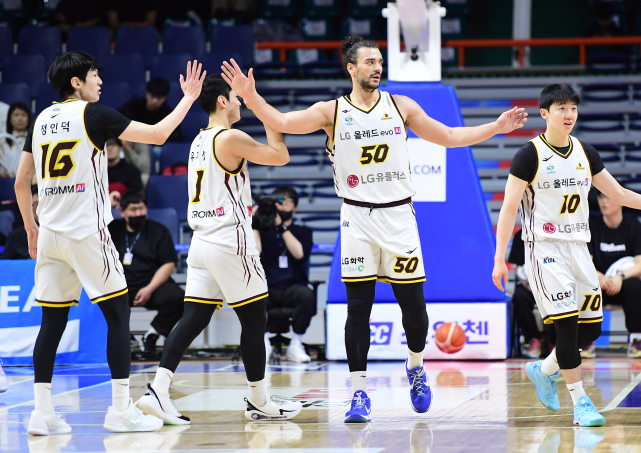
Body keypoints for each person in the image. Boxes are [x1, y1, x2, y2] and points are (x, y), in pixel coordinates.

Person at [221, 33, 528, 423]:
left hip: (399, 218)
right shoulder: (331, 111)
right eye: (369, 62)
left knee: (414, 309)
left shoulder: (401, 106)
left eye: (380, 61)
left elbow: (450, 137)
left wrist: (495, 127)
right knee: (358, 310)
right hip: (357, 219)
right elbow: (281, 122)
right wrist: (250, 96)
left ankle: (415, 366)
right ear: (351, 68)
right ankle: (359, 392)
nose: (377, 67)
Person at [14, 51, 205, 435]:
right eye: (94, 75)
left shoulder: (41, 119)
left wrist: (31, 229)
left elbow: (21, 183)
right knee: (118, 313)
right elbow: (158, 135)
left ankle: (42, 413)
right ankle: (120, 410)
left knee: (51, 323)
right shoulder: (93, 114)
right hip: (87, 231)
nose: (100, 81)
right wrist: (188, 98)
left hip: (50, 234)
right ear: (76, 82)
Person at [491, 84, 641, 428]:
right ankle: (581, 401)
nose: (569, 115)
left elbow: (619, 194)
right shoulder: (528, 155)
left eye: (573, 108)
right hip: (544, 249)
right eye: (561, 109)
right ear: (545, 113)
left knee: (589, 331)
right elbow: (508, 209)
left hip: (580, 248)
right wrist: (498, 258)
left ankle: (544, 370)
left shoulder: (584, 152)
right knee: (565, 326)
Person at [135, 74, 302, 425]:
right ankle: (259, 400)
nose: (240, 103)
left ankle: (158, 390)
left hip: (200, 242)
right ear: (223, 102)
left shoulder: (199, 140)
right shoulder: (230, 137)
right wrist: (261, 107)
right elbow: (281, 155)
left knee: (193, 318)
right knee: (255, 319)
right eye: (236, 99)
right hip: (229, 241)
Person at [109, 191, 185, 354]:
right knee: (99, 300)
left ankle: (151, 335)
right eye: (133, 210)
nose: (138, 213)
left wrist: (149, 289)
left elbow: (169, 264)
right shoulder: (112, 229)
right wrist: (108, 206)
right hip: (119, 286)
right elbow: (89, 224)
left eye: (141, 208)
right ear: (122, 211)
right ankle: (126, 337)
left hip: (152, 284)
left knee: (179, 298)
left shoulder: (159, 231)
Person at [581, 189, 641, 359]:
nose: (603, 201)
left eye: (608, 197)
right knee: (584, 285)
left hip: (622, 286)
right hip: (599, 284)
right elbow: (584, 262)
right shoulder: (591, 226)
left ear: (620, 201)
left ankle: (635, 341)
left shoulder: (634, 226)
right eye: (601, 197)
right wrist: (599, 277)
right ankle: (586, 340)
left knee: (634, 285)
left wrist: (621, 277)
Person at [253, 185, 315, 363]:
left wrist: (280, 226)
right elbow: (255, 252)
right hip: (267, 287)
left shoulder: (303, 232)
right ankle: (263, 343)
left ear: (295, 206)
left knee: (307, 296)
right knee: (253, 297)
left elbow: (299, 253)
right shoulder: (263, 231)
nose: (281, 204)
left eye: (286, 200)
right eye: (278, 200)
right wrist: (254, 225)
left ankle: (295, 344)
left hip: (292, 287)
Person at [508, 230, 544, 359]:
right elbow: (518, 267)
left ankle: (555, 342)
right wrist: (528, 284)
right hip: (528, 285)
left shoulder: (554, 232)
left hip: (551, 285)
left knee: (561, 298)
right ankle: (534, 339)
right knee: (519, 297)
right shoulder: (520, 235)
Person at [120, 78, 182, 143]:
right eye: (152, 96)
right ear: (146, 93)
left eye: (159, 98)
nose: (155, 101)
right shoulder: (131, 107)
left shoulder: (170, 116)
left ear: (165, 98)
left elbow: (174, 139)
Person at [0, 184, 38, 260]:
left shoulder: (58, 231)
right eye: (36, 205)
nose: (39, 209)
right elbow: (4, 262)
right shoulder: (17, 236)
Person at [107, 137, 143, 206]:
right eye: (106, 145)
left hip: (125, 207)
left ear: (121, 148)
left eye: (113, 145)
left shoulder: (132, 171)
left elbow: (136, 196)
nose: (109, 148)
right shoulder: (97, 173)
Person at [0, 102, 31, 178]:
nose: (20, 118)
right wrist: (3, 173)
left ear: (28, 118)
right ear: (9, 119)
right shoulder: (2, 140)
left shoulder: (35, 139)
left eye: (23, 115)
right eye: (16, 115)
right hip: (8, 181)